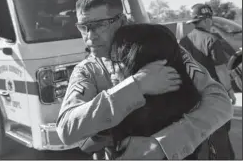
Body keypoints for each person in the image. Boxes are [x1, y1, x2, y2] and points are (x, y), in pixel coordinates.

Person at [56, 0, 233, 160]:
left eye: (99, 25)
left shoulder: (160, 49)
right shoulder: (87, 70)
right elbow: (67, 129)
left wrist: (163, 145)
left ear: (122, 20)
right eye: (83, 27)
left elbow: (220, 101)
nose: (90, 36)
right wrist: (136, 85)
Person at [79, 23, 203, 160]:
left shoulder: (121, 111)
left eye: (115, 60)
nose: (111, 70)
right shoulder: (193, 99)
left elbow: (86, 144)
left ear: (134, 63)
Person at [180, 3, 236, 159]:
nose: (211, 21)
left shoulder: (184, 41)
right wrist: (230, 91)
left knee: (200, 138)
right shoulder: (212, 40)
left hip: (192, 97)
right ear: (205, 20)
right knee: (220, 137)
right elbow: (221, 70)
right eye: (210, 18)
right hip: (214, 95)